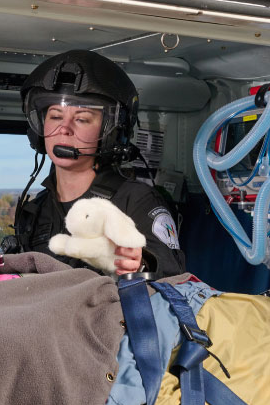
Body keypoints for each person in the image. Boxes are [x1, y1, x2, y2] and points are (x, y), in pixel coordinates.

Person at [10, 49, 186, 278]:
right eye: (55, 116)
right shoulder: (36, 209)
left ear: (111, 132)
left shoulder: (136, 200)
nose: (64, 128)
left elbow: (174, 275)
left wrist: (142, 264)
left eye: (82, 119)